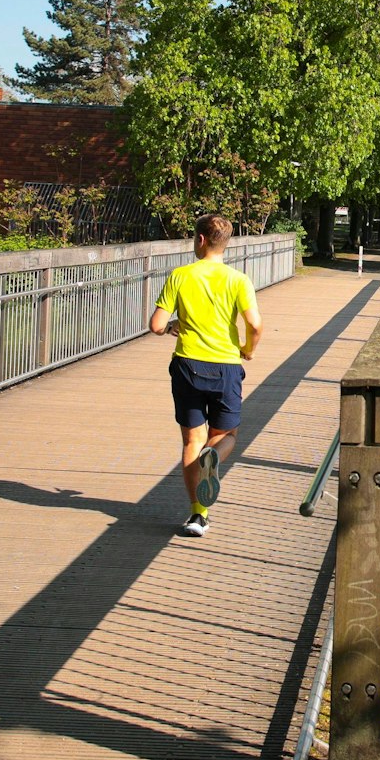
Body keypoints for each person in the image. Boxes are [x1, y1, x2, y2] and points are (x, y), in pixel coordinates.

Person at [149, 214, 263, 537]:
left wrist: (173, 325)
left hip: (187, 365)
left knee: (191, 441)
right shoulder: (238, 280)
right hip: (226, 366)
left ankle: (198, 516)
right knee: (226, 437)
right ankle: (213, 457)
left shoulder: (181, 275)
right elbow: (255, 324)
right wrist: (248, 349)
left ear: (200, 240)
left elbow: (156, 325)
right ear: (225, 243)